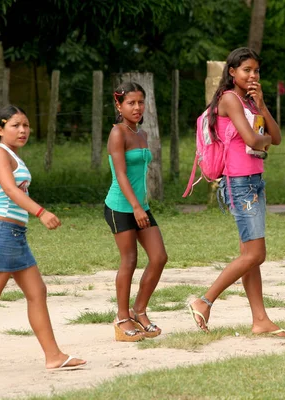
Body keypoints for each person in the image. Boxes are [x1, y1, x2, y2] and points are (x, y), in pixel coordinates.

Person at [0, 105, 86, 376]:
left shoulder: (12, 156)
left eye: (26, 125)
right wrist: (40, 213)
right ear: (0, 130)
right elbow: (8, 189)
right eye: (15, 125)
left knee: (37, 292)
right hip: (4, 234)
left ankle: (54, 356)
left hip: (12, 235)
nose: (23, 130)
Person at [187, 47, 285, 339]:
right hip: (239, 182)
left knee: (250, 254)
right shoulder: (230, 99)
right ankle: (204, 301)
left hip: (254, 179)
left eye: (256, 71)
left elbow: (276, 138)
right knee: (256, 254)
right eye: (246, 70)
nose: (252, 75)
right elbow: (252, 139)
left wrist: (261, 105)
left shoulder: (248, 101)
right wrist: (265, 139)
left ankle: (260, 320)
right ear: (232, 73)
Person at [104, 82, 167, 342]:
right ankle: (122, 318)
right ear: (118, 105)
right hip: (121, 206)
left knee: (159, 257)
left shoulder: (141, 134)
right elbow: (120, 174)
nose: (137, 107)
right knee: (129, 260)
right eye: (131, 103)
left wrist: (141, 205)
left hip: (141, 206)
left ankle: (139, 310)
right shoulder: (118, 133)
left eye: (141, 102)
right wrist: (136, 206)